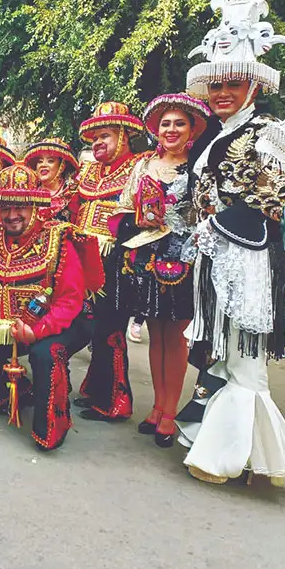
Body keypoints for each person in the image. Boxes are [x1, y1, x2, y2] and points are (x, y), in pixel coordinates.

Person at [176, 0, 285, 486]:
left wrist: (214, 227)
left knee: (244, 356)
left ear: (253, 85)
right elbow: (201, 197)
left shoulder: (269, 135)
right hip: (214, 256)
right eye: (218, 84)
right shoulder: (214, 137)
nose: (224, 92)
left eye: (234, 83)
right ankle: (241, 451)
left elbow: (271, 198)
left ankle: (229, 457)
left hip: (247, 259)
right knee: (223, 350)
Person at [0, 163, 103, 450]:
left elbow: (70, 299)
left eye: (20, 207)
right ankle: (5, 395)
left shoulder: (58, 240)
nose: (12, 215)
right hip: (7, 322)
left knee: (45, 354)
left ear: (36, 205)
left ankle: (51, 428)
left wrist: (40, 330)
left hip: (66, 322)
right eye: (6, 207)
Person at [108, 93, 211, 447]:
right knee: (155, 335)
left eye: (179, 123)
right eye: (165, 123)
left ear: (192, 128)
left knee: (175, 337)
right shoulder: (142, 166)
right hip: (146, 258)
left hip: (182, 259)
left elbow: (207, 214)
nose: (171, 129)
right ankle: (156, 407)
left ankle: (170, 412)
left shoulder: (199, 168)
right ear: (156, 129)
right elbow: (122, 206)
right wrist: (134, 222)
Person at [73, 101, 145, 422]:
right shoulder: (88, 172)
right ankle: (96, 388)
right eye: (94, 138)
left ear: (123, 136)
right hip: (86, 258)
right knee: (96, 327)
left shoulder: (140, 167)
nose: (98, 143)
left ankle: (118, 399)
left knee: (112, 329)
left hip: (118, 259)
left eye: (106, 136)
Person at [23, 138, 79, 222]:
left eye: (50, 161)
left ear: (62, 166)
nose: (43, 165)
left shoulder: (73, 193)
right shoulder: (27, 192)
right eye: (40, 161)